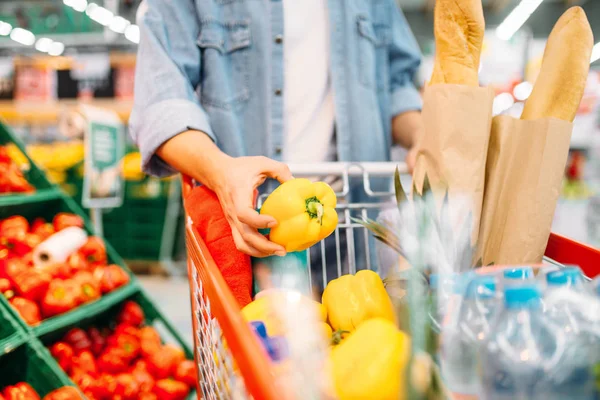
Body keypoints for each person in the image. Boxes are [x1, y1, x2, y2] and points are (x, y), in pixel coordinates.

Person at [130, 0, 424, 260]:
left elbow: (396, 86)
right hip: (246, 232)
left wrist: (421, 138)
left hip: (356, 229)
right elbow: (161, 101)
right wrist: (221, 172)